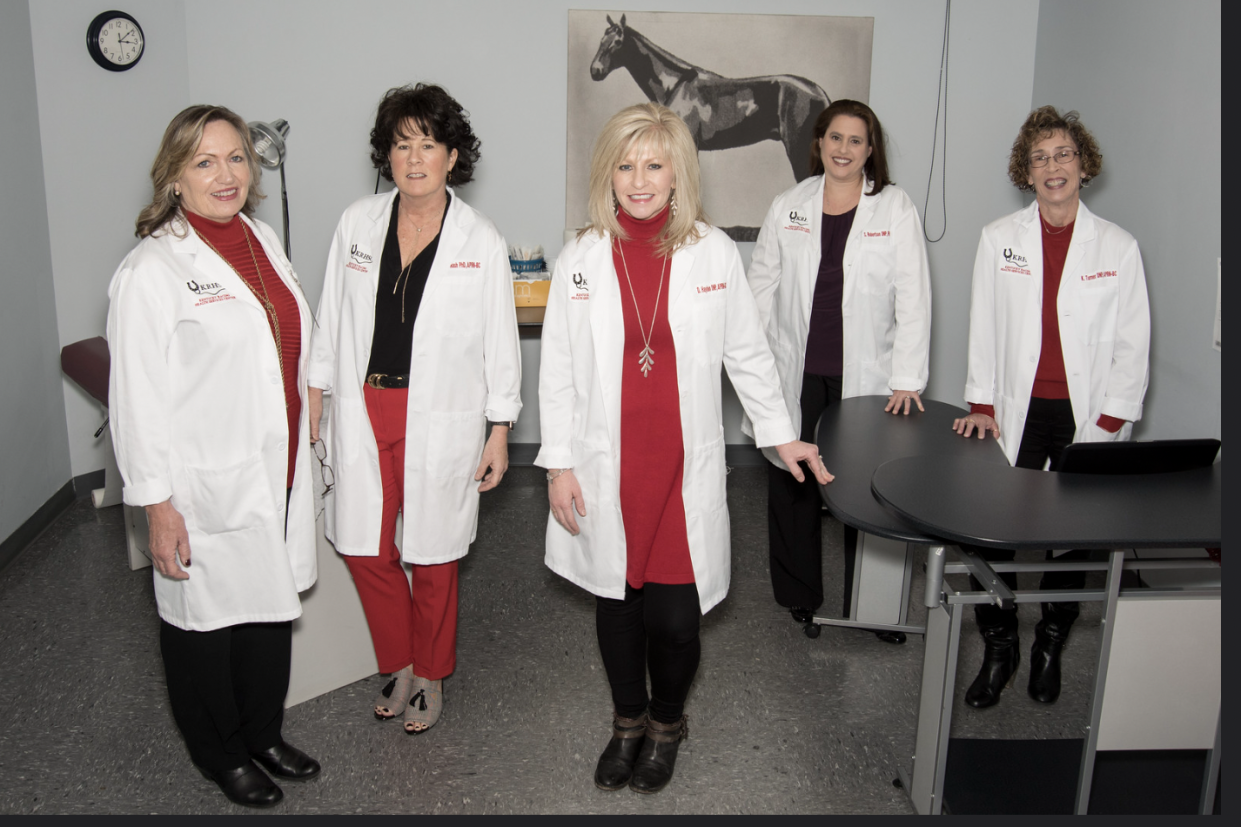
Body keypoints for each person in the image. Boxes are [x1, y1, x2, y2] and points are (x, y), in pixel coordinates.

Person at [537, 102, 832, 795]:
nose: (638, 180)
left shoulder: (712, 251)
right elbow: (557, 368)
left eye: (653, 164)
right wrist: (555, 463)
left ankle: (667, 723)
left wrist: (780, 431)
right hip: (607, 465)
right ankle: (627, 721)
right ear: (608, 174)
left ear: (677, 174)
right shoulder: (580, 256)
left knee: (672, 620)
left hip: (678, 467)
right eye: (625, 165)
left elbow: (748, 354)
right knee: (617, 603)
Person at [107, 105, 321, 808]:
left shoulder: (258, 238)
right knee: (203, 624)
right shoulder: (151, 270)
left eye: (235, 158)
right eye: (204, 162)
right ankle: (220, 753)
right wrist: (157, 505)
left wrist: (311, 395)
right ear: (173, 177)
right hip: (202, 482)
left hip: (276, 463)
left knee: (267, 612)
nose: (225, 175)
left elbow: (290, 335)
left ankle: (262, 732)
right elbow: (135, 400)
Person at [307, 83, 521, 735]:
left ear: (453, 155)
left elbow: (499, 339)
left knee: (432, 551)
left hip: (442, 414)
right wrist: (315, 394)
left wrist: (500, 427)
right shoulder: (357, 223)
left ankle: (429, 673)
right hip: (363, 402)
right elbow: (329, 315)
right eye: (402, 144)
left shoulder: (479, 239)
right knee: (364, 546)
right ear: (387, 155)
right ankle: (397, 658)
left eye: (428, 143)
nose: (415, 157)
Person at [952, 105, 1150, 708]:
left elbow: (1132, 341)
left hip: (1084, 417)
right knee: (990, 530)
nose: (1052, 166)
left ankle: (1049, 644)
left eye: (1063, 154)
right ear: (1026, 172)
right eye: (1039, 157)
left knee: (1072, 538)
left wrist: (1110, 420)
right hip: (1013, 412)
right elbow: (983, 324)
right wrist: (982, 402)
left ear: (1083, 165)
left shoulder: (1116, 246)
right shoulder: (998, 239)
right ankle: (999, 643)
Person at [746, 100, 932, 641]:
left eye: (856, 140)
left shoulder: (894, 209)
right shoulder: (789, 204)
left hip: (867, 377)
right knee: (794, 484)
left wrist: (907, 380)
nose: (844, 149)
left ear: (870, 150)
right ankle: (799, 595)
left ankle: (875, 606)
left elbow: (914, 298)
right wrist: (753, 365)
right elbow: (760, 289)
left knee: (869, 490)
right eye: (835, 138)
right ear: (820, 143)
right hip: (796, 371)